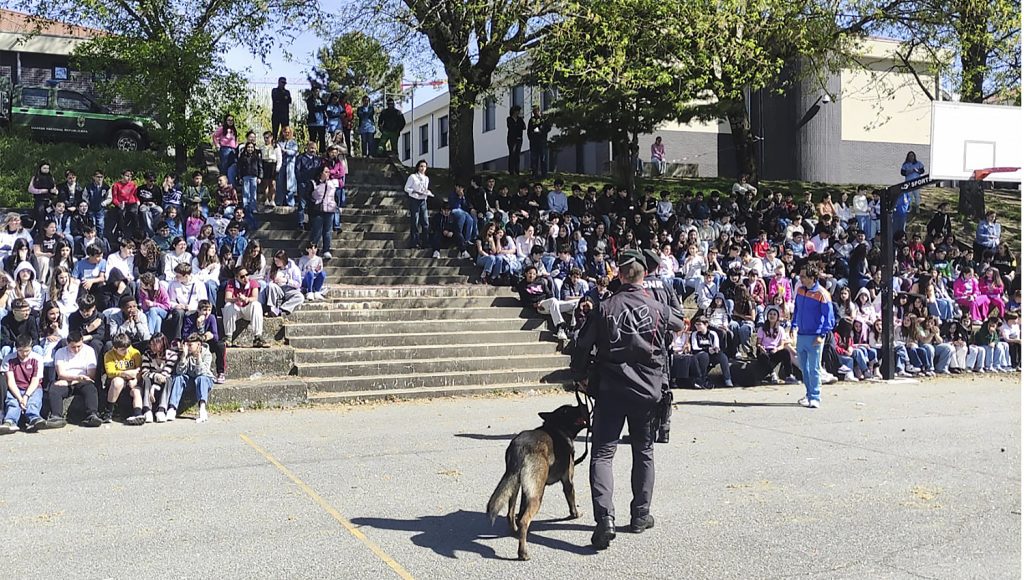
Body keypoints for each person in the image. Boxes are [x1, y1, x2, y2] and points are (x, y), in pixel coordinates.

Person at [570, 249, 684, 550]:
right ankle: (640, 515)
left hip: (611, 390)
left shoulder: (605, 306)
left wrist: (579, 374)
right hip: (648, 391)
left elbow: (582, 346)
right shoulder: (658, 306)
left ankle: (605, 518)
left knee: (603, 454)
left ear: (619, 275)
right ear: (643, 274)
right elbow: (679, 324)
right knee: (643, 451)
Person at [793, 264, 835, 409]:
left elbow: (829, 317)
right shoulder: (799, 290)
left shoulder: (822, 294)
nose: (801, 279)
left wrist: (821, 334)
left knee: (814, 368)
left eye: (804, 276)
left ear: (812, 277)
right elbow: (797, 309)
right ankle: (808, 394)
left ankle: (815, 396)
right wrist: (793, 325)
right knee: (804, 368)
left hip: (814, 336)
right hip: (801, 334)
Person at [47, 331, 103, 428]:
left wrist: (75, 380)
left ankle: (92, 415)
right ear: (67, 344)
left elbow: (91, 374)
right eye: (73, 347)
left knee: (91, 388)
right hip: (68, 379)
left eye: (79, 346)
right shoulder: (60, 352)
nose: (76, 350)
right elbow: (60, 373)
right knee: (54, 389)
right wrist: (76, 378)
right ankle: (56, 416)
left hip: (82, 380)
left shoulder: (89, 351)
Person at [0, 334, 45, 433]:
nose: (24, 354)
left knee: (33, 402)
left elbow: (35, 380)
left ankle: (34, 419)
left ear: (31, 347)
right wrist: (20, 398)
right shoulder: (8, 359)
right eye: (20, 351)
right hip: (16, 387)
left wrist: (26, 396)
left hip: (33, 387)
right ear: (16, 349)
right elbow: (10, 380)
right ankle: (10, 421)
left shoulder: (37, 359)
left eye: (27, 351)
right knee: (12, 402)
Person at [168, 333, 215, 423]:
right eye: (187, 344)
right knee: (178, 378)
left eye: (190, 345)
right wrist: (183, 357)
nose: (188, 347)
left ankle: (202, 408)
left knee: (201, 378)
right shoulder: (186, 353)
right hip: (190, 379)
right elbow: (179, 371)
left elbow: (202, 372)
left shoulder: (207, 354)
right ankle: (172, 408)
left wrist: (199, 359)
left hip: (204, 379)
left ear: (198, 345)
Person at [101, 332, 142, 424]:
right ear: (115, 348)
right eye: (123, 350)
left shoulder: (135, 353)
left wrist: (135, 380)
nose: (126, 351)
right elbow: (110, 373)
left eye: (127, 348)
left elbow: (140, 370)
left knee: (136, 391)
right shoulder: (109, 355)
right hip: (116, 381)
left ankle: (138, 414)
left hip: (132, 381)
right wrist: (125, 373)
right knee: (118, 382)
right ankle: (108, 412)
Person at [223, 266, 268, 348]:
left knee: (256, 304)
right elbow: (227, 298)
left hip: (248, 309)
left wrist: (246, 299)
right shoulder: (231, 283)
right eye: (242, 277)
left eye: (247, 275)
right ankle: (228, 337)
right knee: (228, 306)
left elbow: (255, 297)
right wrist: (237, 299)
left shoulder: (253, 282)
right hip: (236, 309)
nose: (245, 278)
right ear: (237, 277)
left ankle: (258, 337)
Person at [309, 165, 339, 260]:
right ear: (320, 173)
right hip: (318, 210)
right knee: (317, 231)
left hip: (329, 210)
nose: (328, 174)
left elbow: (336, 196)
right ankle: (312, 250)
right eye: (326, 172)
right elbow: (308, 195)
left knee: (328, 231)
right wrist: (314, 202)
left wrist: (335, 204)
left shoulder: (332, 184)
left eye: (328, 172)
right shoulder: (314, 183)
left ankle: (326, 250)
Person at [404, 160, 434, 249]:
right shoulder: (413, 177)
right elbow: (406, 188)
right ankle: (414, 242)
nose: (422, 168)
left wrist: (426, 193)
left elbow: (425, 188)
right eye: (421, 166)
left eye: (424, 167)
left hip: (423, 200)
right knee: (415, 221)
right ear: (418, 167)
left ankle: (425, 242)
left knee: (425, 222)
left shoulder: (426, 178)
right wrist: (414, 192)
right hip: (414, 200)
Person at [527, 105, 550, 178]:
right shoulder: (531, 120)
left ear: (539, 111)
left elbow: (548, 128)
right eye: (533, 111)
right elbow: (529, 131)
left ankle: (544, 174)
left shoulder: (544, 119)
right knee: (534, 159)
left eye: (536, 111)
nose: (534, 112)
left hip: (542, 141)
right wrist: (531, 137)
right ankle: (534, 174)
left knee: (543, 158)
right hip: (534, 142)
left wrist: (542, 131)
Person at [305, 83, 327, 153]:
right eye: (315, 91)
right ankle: (312, 151)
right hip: (313, 122)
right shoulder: (309, 100)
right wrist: (320, 108)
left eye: (318, 91)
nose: (317, 93)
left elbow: (325, 107)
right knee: (312, 139)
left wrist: (319, 108)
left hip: (321, 123)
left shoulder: (321, 100)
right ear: (312, 92)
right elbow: (312, 108)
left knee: (322, 138)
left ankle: (322, 152)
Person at [506, 105, 526, 175]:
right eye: (518, 111)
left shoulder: (520, 119)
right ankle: (511, 170)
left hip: (519, 138)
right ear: (514, 111)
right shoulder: (509, 119)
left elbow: (524, 127)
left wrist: (518, 125)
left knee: (517, 154)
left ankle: (517, 170)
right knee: (512, 153)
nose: (519, 112)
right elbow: (511, 127)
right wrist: (517, 126)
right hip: (511, 139)